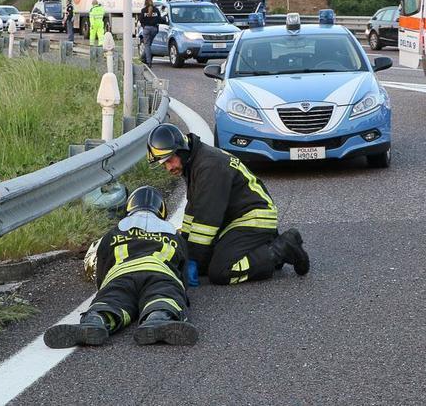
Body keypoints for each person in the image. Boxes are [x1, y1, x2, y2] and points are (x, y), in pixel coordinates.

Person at [147, 123, 310, 286]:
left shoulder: (209, 166)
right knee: (204, 263)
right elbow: (193, 209)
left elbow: (207, 221)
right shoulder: (194, 162)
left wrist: (193, 260)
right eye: (164, 165)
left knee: (221, 272)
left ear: (181, 150)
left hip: (254, 217)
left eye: (169, 160)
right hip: (235, 219)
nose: (168, 168)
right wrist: (186, 246)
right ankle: (262, 248)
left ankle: (282, 248)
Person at [43, 186, 198, 348]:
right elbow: (182, 273)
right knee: (164, 298)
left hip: (121, 276)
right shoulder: (173, 234)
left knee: (111, 301)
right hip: (160, 276)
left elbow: (102, 268)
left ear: (129, 207)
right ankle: (158, 318)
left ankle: (95, 320)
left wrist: (106, 288)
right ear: (162, 210)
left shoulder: (113, 232)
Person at [138, 0, 165, 66]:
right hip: (154, 29)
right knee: (148, 45)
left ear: (145, 3)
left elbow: (141, 20)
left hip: (146, 29)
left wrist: (144, 26)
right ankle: (141, 58)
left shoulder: (143, 10)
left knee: (147, 45)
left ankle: (148, 61)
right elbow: (160, 19)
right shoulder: (156, 10)